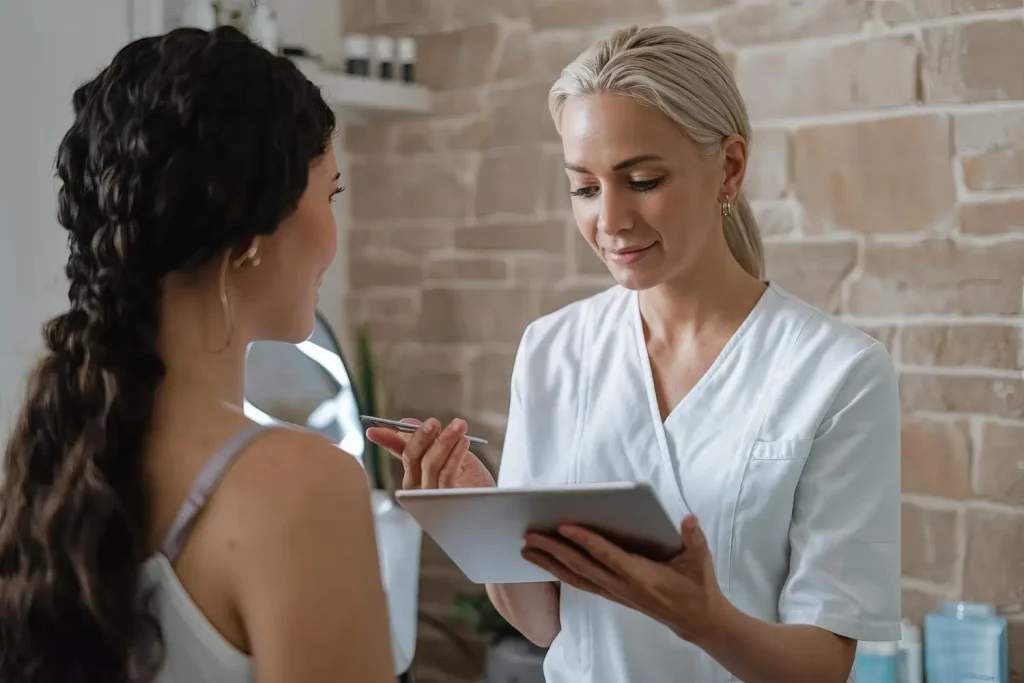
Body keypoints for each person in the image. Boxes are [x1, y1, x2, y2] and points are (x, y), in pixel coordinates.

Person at [367, 25, 901, 683]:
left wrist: (706, 618)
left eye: (642, 180)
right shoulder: (553, 350)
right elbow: (546, 622)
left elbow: (822, 666)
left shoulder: (838, 374)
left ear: (729, 168)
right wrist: (477, 522)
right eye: (585, 189)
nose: (611, 220)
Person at [0, 26, 395, 683]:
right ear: (249, 223)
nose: (332, 236)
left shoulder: (47, 462)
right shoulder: (302, 488)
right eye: (330, 195)